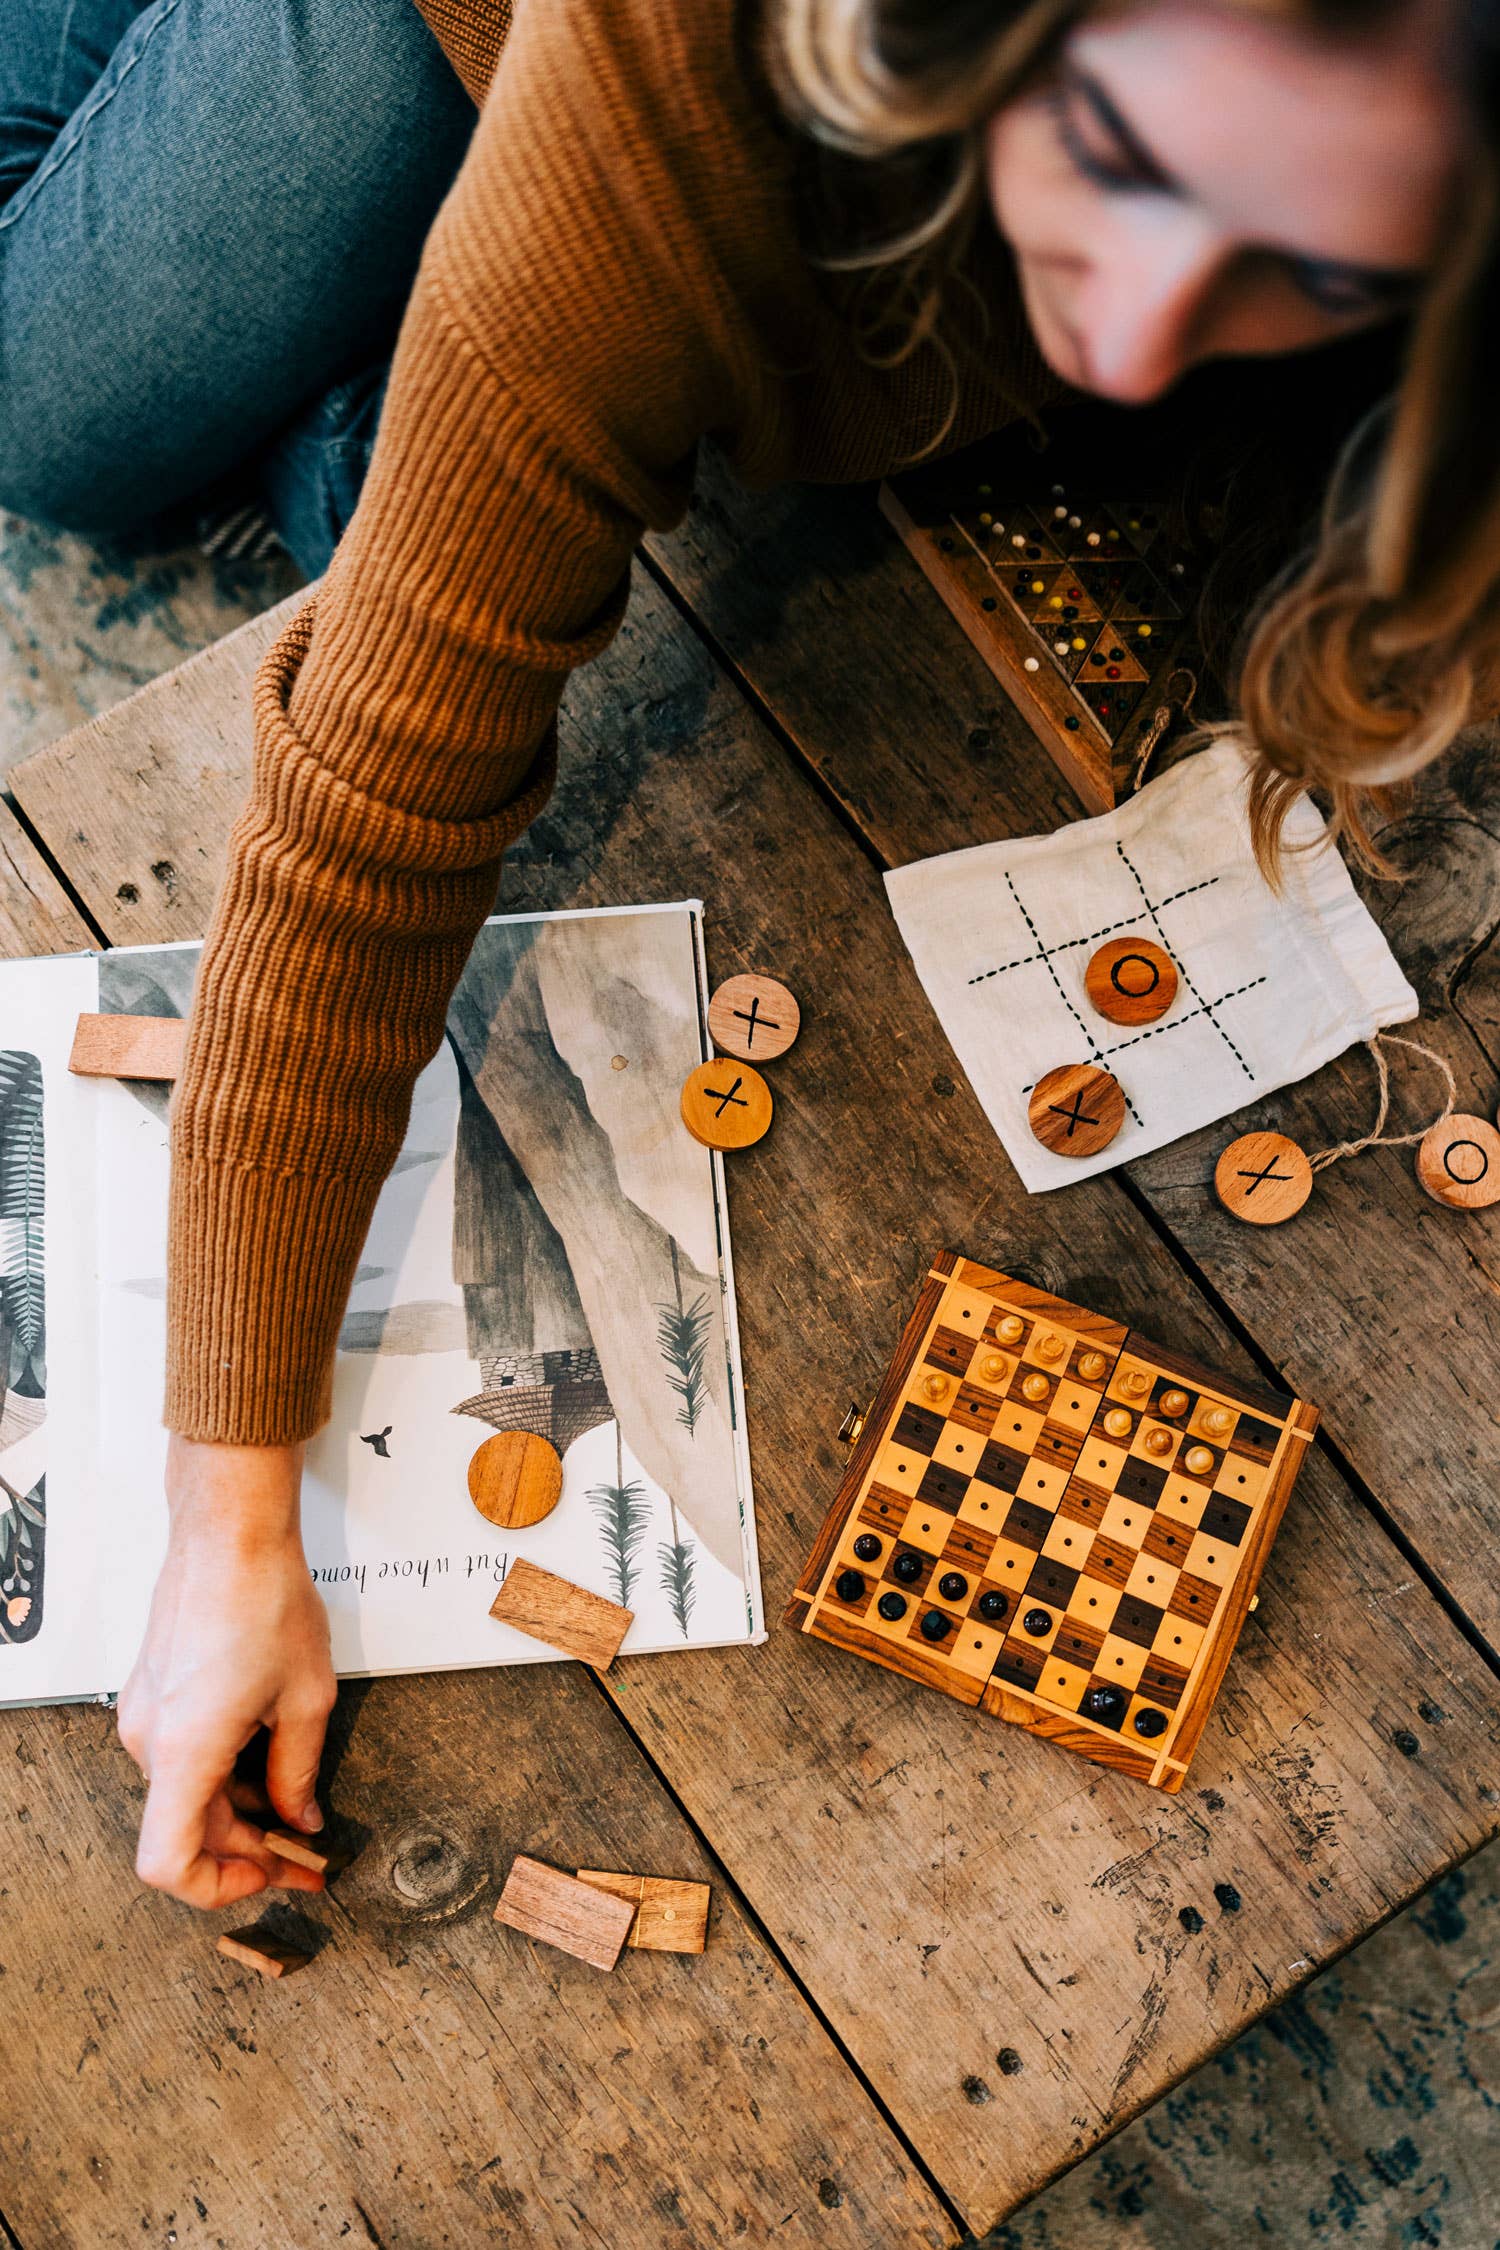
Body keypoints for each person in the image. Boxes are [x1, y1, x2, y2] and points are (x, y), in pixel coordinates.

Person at [3, 0, 1486, 1906]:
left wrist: (516, 405)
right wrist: (226, 1520)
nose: (1125, 336)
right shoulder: (679, 56)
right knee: (53, 432)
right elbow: (372, 806)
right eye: (1117, 160)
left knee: (448, 473)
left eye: (1311, 262)